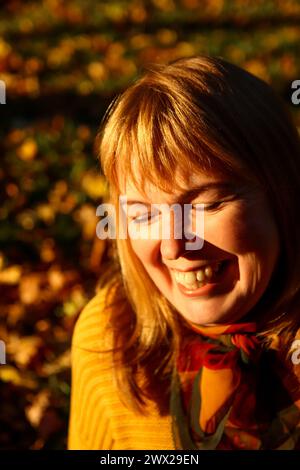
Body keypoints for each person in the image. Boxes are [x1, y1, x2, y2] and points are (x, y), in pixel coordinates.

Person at [68, 55, 300, 450]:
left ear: (284, 195)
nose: (176, 245)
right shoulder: (109, 336)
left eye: (207, 205)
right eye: (143, 214)